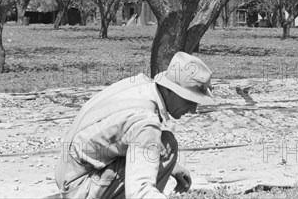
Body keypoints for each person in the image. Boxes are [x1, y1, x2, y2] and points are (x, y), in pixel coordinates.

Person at [56, 51, 214, 199]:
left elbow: (118, 138)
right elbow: (139, 191)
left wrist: (169, 166)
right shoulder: (145, 122)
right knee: (167, 145)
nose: (193, 109)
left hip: (71, 171)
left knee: (163, 147)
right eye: (189, 100)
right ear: (169, 90)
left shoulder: (141, 86)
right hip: (79, 187)